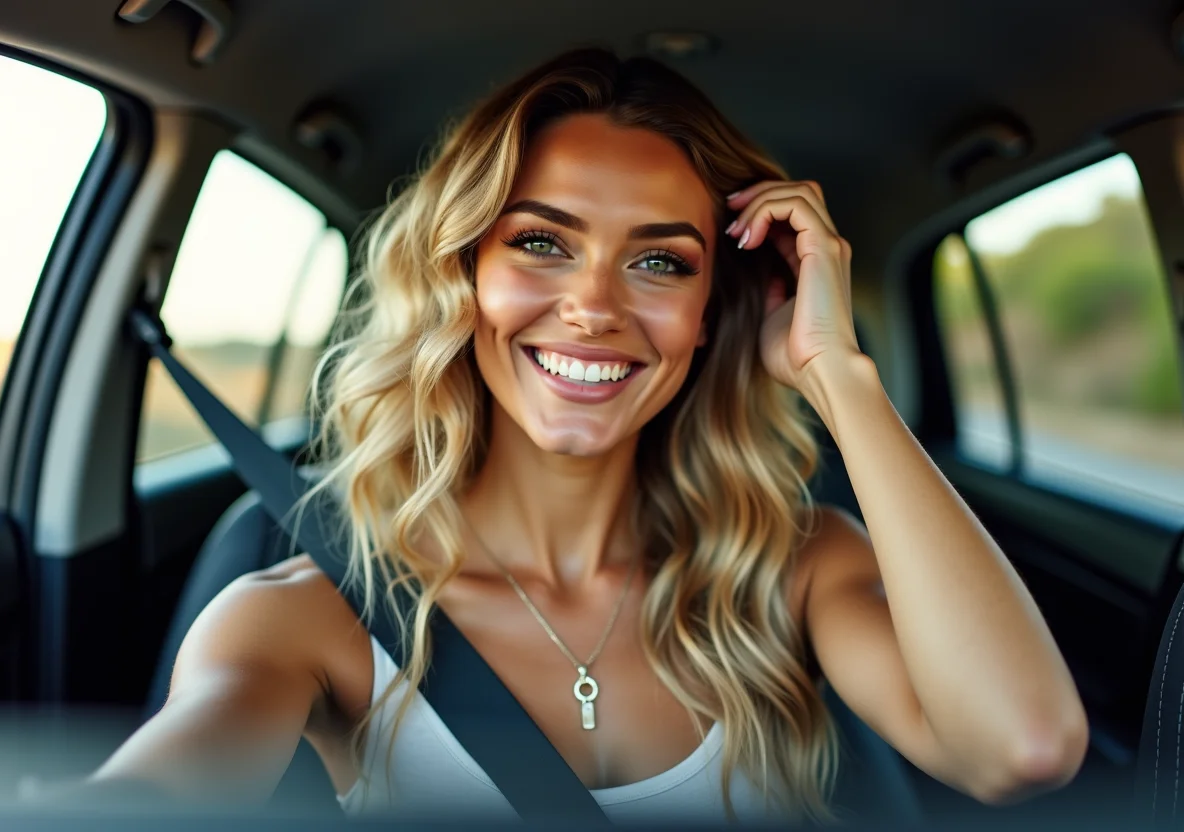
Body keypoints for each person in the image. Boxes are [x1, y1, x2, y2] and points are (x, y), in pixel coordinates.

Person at [85, 48, 1087, 823]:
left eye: (660, 263)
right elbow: (152, 794)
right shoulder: (304, 618)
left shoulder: (792, 571)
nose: (594, 308)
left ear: (711, 311)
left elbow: (1023, 748)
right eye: (540, 243)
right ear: (462, 275)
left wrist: (838, 373)